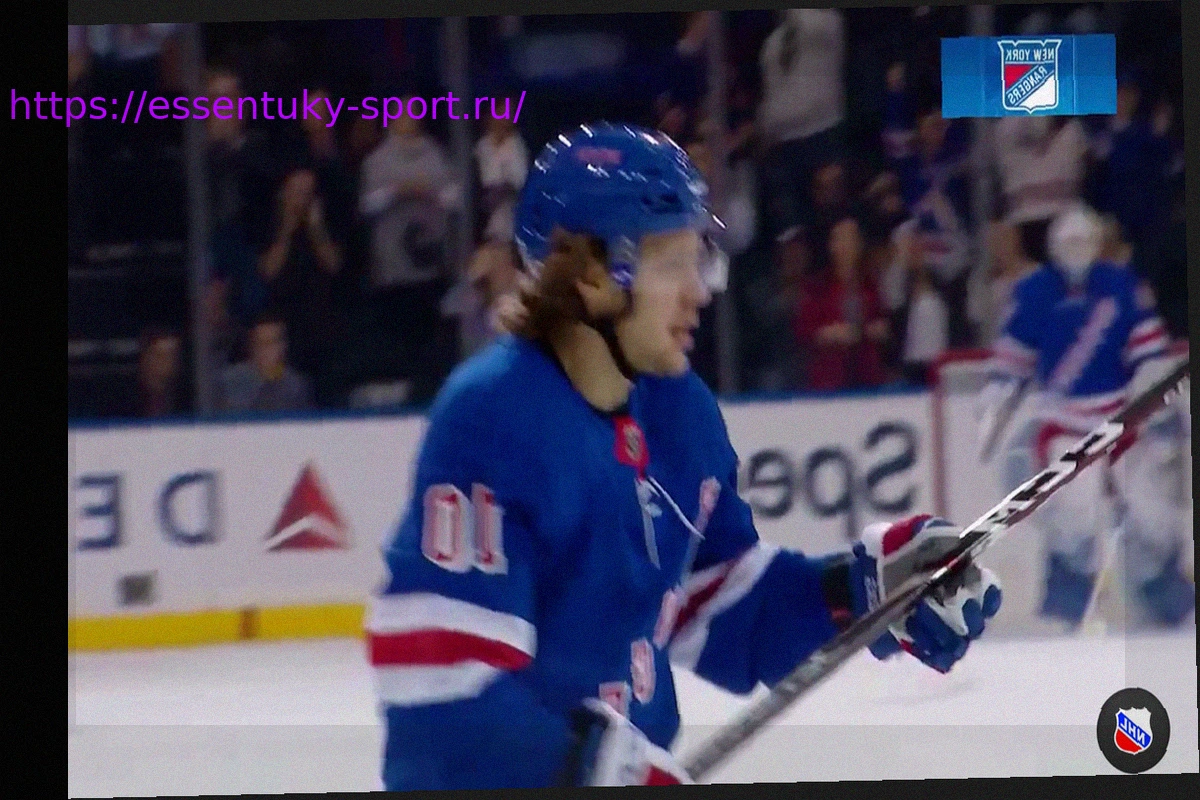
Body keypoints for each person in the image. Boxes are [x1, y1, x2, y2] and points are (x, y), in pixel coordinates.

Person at [364, 123, 1002, 791]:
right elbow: (441, 702)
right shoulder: (496, 418)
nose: (699, 291)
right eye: (671, 263)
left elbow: (722, 606)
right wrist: (596, 771)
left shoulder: (677, 411)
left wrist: (867, 588)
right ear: (590, 275)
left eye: (700, 261)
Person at [977, 204, 1193, 631]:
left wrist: (1159, 410)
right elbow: (1012, 361)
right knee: (1075, 516)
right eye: (1069, 243)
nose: (1076, 251)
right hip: (1062, 424)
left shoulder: (1122, 284)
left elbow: (1149, 356)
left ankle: (1171, 604)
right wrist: (994, 402)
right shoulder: (1034, 291)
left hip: (1122, 421)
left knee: (1150, 515)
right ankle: (1065, 610)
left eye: (1083, 242)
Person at [794, 217, 889, 390]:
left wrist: (875, 330)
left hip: (867, 377)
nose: (846, 245)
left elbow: (882, 324)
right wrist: (827, 334)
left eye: (850, 238)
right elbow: (804, 330)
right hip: (829, 380)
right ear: (831, 245)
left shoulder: (871, 285)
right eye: (840, 239)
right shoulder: (818, 286)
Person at [217, 313, 312, 413]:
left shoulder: (296, 387)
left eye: (271, 342)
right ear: (251, 346)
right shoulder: (230, 382)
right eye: (260, 342)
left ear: (283, 346)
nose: (265, 349)